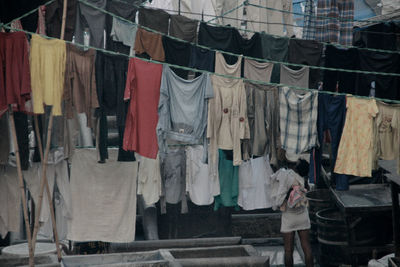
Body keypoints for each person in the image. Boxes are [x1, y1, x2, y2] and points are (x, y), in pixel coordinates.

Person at [281, 158, 313, 267]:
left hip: (289, 217)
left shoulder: (288, 177)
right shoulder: (304, 180)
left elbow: (281, 196)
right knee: (307, 247)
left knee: (288, 250)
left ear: (296, 167)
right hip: (303, 216)